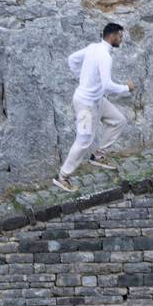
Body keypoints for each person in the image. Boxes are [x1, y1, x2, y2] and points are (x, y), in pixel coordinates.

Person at [52, 22, 134, 191]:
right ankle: (62, 176)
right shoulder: (105, 56)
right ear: (112, 36)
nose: (121, 39)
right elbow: (107, 85)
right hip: (85, 104)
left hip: (97, 100)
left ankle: (98, 155)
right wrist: (127, 88)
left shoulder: (92, 48)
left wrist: (82, 78)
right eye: (120, 36)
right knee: (83, 141)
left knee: (118, 120)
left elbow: (72, 59)